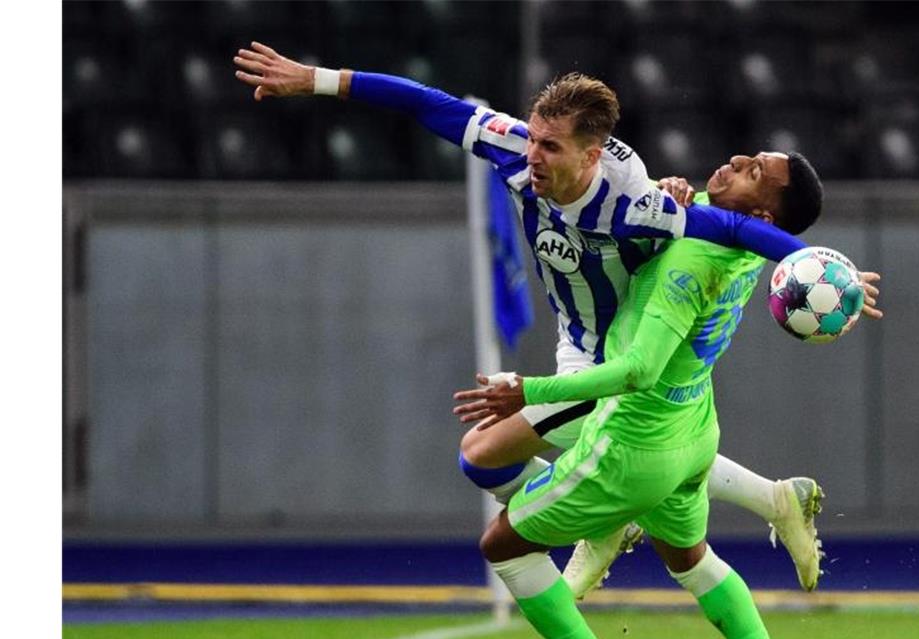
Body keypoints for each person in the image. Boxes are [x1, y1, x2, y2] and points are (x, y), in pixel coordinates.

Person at [232, 43, 880, 596]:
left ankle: (613, 543)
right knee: (673, 544)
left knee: (484, 456)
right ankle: (765, 503)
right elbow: (429, 104)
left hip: (621, 370)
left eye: (552, 147)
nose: (535, 157)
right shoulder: (519, 151)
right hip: (582, 350)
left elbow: (729, 226)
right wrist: (315, 80)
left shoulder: (641, 207)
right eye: (534, 142)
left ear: (590, 155)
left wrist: (823, 267)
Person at [452, 179, 880, 639]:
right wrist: (670, 191)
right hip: (694, 428)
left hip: (633, 437)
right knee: (690, 558)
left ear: (761, 214)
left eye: (754, 170)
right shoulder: (742, 248)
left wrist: (526, 389)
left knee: (503, 543)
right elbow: (718, 216)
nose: (735, 162)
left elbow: (637, 371)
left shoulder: (691, 263)